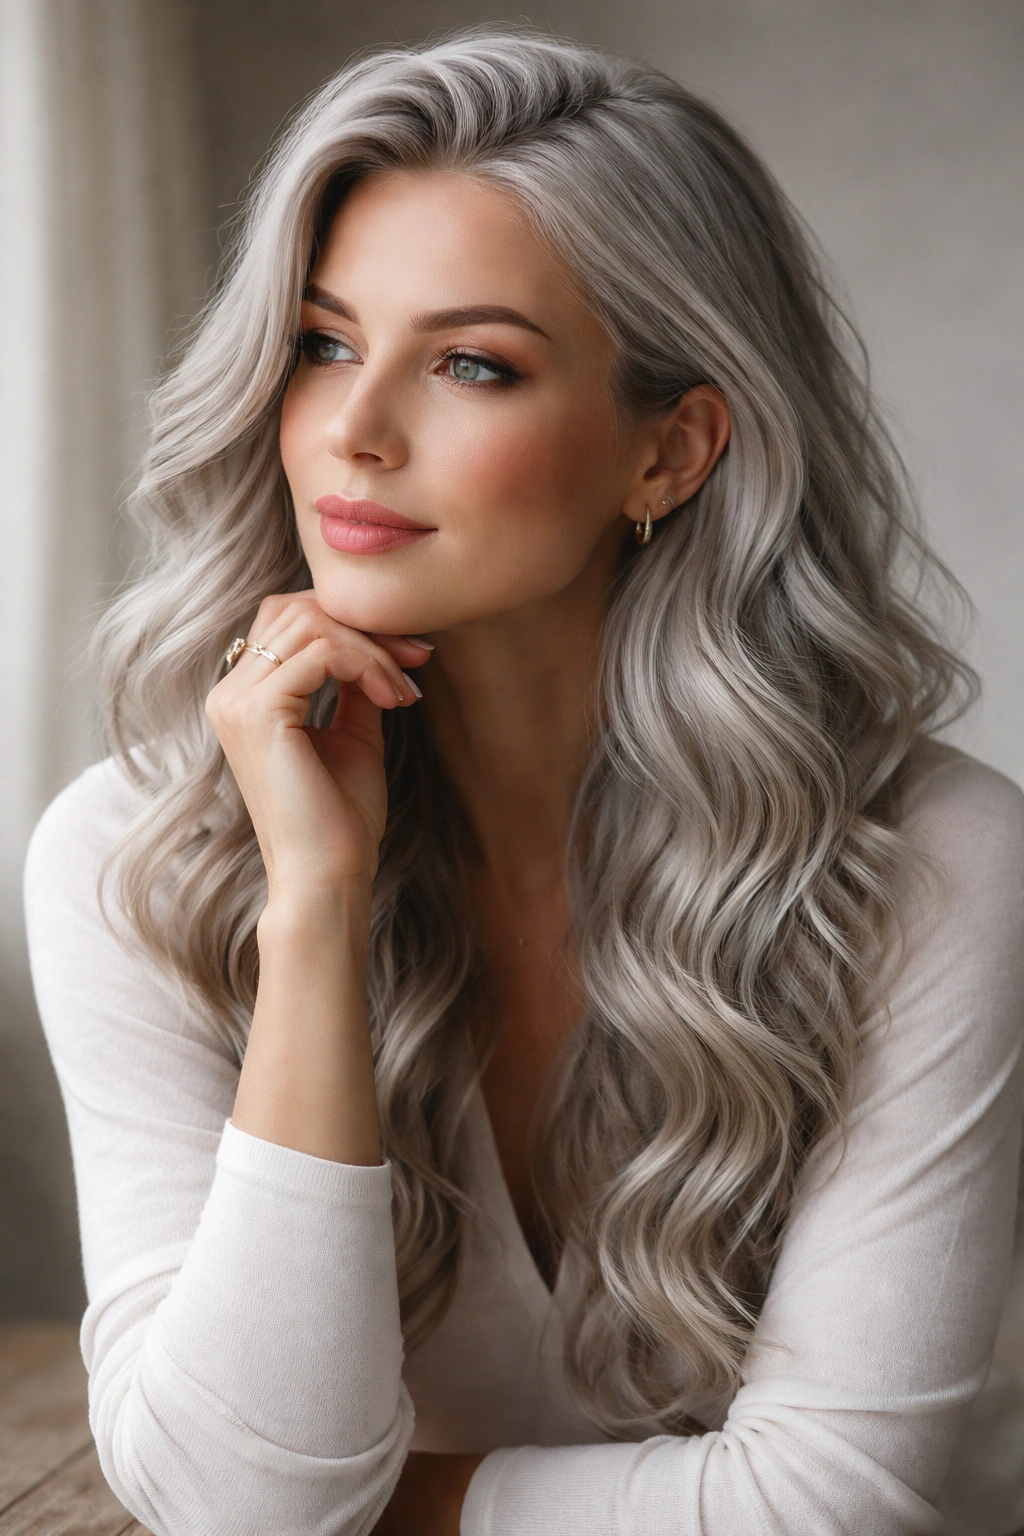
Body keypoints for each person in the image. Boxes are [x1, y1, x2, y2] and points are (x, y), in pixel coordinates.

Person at [23, 28, 1024, 1536]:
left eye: (472, 364)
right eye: (322, 342)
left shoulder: (933, 860)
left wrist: (390, 1511)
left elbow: (834, 1507)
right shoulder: (130, 855)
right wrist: (314, 902)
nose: (353, 433)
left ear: (671, 453)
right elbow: (240, 1503)